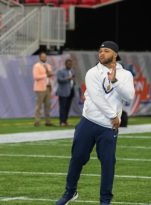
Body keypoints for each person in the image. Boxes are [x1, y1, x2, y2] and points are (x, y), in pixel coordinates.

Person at [56, 41, 135, 205]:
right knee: (77, 158)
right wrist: (113, 115)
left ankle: (105, 200)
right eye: (100, 51)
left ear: (115, 54)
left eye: (106, 51)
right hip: (88, 122)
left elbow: (129, 97)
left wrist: (115, 82)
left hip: (108, 128)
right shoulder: (92, 72)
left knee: (108, 164)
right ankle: (70, 192)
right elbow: (97, 97)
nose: (101, 53)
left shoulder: (126, 75)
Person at [32, 51, 54, 127]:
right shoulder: (37, 66)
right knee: (39, 106)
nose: (44, 58)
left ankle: (47, 121)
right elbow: (36, 77)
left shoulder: (48, 65)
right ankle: (37, 121)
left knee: (47, 105)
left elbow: (50, 76)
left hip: (48, 87)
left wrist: (51, 78)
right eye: (43, 57)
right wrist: (46, 75)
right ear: (40, 58)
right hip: (40, 88)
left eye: (45, 57)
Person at [56, 59, 75, 126]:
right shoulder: (61, 71)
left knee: (67, 107)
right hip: (63, 93)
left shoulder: (72, 71)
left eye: (71, 64)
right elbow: (59, 80)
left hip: (70, 91)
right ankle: (61, 122)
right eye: (68, 64)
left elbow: (72, 80)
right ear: (65, 64)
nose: (70, 65)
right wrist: (68, 78)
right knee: (63, 108)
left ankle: (65, 121)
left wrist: (73, 83)